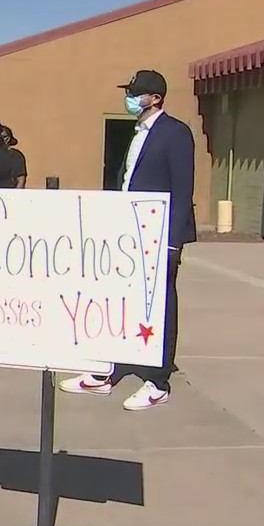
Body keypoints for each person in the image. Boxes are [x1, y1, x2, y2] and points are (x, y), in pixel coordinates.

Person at [58, 69, 196, 411]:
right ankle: (106, 372)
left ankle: (158, 380)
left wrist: (172, 243)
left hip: (158, 235)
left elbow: (182, 189)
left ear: (155, 98)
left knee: (160, 304)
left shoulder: (175, 134)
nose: (130, 98)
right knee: (119, 301)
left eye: (136, 93)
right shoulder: (138, 133)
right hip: (127, 232)